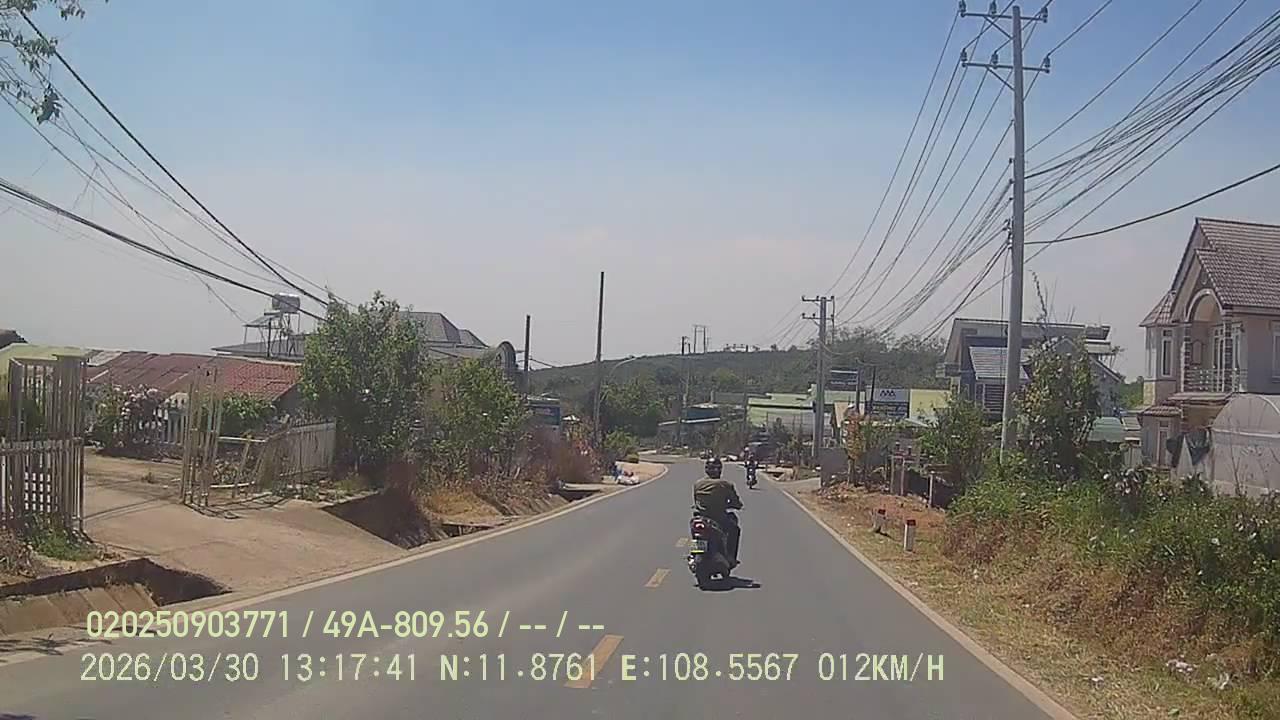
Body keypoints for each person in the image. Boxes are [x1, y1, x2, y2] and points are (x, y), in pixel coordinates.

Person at [692, 475, 743, 569]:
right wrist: (736, 505)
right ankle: (731, 557)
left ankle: (695, 553)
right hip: (718, 517)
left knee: (696, 531)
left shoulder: (698, 484)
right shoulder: (726, 484)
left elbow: (696, 501)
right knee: (734, 530)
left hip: (701, 517)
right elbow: (736, 502)